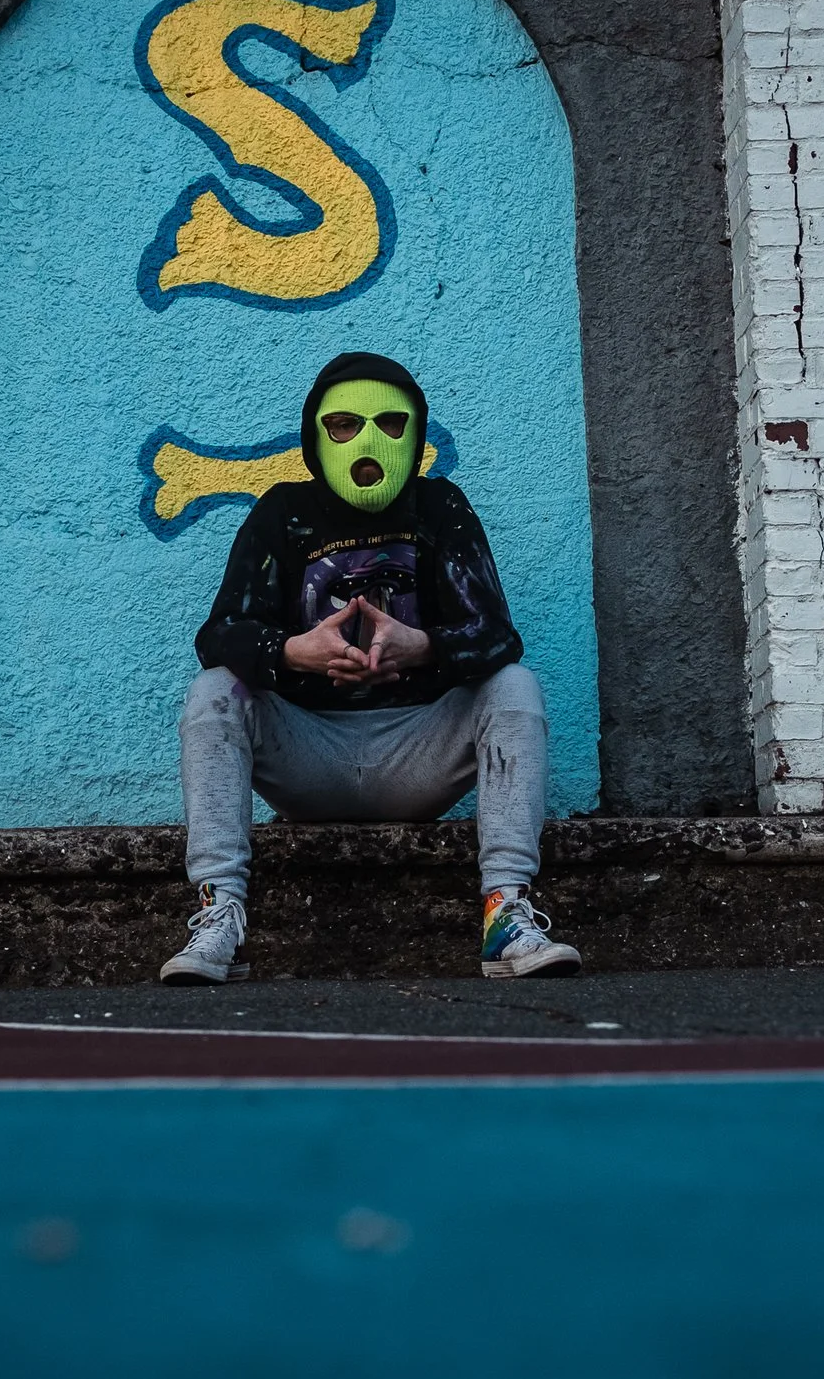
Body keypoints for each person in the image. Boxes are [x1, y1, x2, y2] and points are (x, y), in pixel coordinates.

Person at [161, 351, 581, 985]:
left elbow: (497, 636)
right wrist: (291, 651)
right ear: (315, 435)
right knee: (215, 691)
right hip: (309, 752)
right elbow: (219, 636)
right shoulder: (283, 513)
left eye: (390, 425)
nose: (367, 443)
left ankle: (506, 909)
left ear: (415, 435)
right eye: (343, 426)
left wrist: (424, 647)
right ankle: (219, 913)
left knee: (514, 686)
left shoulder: (439, 508)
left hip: (416, 754)